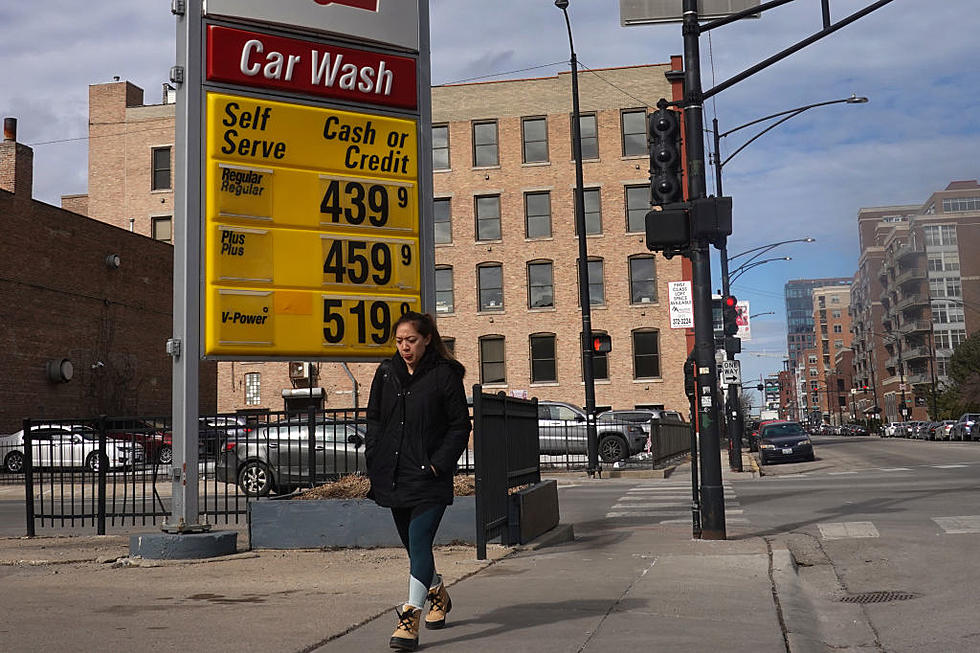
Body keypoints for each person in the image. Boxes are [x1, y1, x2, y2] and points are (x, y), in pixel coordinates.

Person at [365, 311, 470, 651]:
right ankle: (437, 593)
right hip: (393, 476)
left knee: (420, 542)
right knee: (415, 551)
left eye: (411, 340)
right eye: (399, 341)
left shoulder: (445, 375)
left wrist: (439, 465)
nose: (405, 347)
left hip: (429, 478)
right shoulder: (385, 373)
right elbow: (375, 419)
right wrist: (373, 454)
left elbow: (459, 426)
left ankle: (409, 618)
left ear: (426, 339)